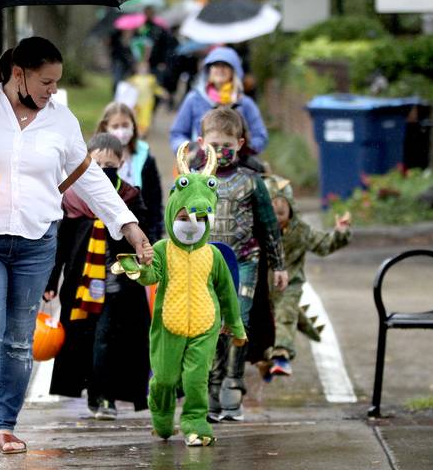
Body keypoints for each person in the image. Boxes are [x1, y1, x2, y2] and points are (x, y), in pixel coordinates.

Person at [0, 36, 153, 456]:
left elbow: (89, 178)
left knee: (18, 337)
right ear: (19, 74)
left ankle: (6, 426)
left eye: (56, 83)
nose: (52, 91)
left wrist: (129, 226)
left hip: (37, 241)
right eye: (45, 82)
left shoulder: (62, 120)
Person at [117, 142, 245, 447]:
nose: (192, 225)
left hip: (205, 326)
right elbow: (152, 274)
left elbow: (227, 292)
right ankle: (161, 417)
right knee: (164, 379)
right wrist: (137, 268)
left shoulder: (213, 256)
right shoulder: (163, 249)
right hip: (168, 326)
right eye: (186, 218)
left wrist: (236, 325)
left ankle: (195, 423)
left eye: (200, 220)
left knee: (195, 380)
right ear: (175, 212)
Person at [43, 133, 151, 420]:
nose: (103, 168)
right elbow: (61, 246)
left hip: (118, 285)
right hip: (80, 286)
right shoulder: (72, 199)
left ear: (121, 162)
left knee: (108, 338)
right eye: (97, 163)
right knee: (85, 339)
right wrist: (51, 282)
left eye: (110, 163)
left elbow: (142, 235)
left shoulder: (129, 196)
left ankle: (105, 397)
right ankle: (92, 393)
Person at [191, 107, 287, 423]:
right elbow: (179, 221)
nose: (220, 152)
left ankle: (234, 383)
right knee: (212, 323)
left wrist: (279, 265)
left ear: (240, 143)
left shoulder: (251, 182)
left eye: (226, 145)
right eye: (213, 145)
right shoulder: (194, 181)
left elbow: (269, 224)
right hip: (208, 264)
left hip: (246, 260)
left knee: (238, 321)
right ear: (202, 143)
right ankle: (214, 385)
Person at [263, 175, 352, 377]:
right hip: (260, 285)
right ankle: (259, 359)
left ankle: (281, 356)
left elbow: (324, 244)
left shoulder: (301, 231)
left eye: (281, 213)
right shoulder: (255, 230)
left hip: (289, 285)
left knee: (285, 315)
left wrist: (341, 232)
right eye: (271, 213)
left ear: (291, 209)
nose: (276, 218)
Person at [169, 46, 268, 156]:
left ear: (234, 71)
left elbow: (260, 136)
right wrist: (191, 149)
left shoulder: (244, 103)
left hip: (237, 164)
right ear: (208, 70)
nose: (220, 69)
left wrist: (244, 150)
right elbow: (177, 134)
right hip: (200, 163)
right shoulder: (194, 99)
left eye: (225, 65)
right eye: (215, 65)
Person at [95, 102, 164, 243]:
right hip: (103, 234)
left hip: (139, 230)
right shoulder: (95, 158)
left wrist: (155, 237)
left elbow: (154, 202)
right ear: (105, 127)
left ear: (133, 125)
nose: (121, 131)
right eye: (115, 126)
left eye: (125, 125)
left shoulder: (145, 158)